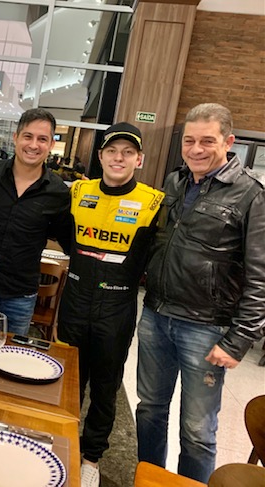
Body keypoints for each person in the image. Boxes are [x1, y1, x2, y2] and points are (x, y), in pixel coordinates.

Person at [137, 103, 265, 483]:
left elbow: (261, 276)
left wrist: (238, 340)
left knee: (196, 431)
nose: (196, 149)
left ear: (229, 141)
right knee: (150, 411)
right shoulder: (175, 182)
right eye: (189, 141)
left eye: (207, 141)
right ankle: (148, 479)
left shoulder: (251, 195)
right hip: (157, 316)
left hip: (206, 329)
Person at [56, 122, 164, 487]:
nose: (119, 158)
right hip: (74, 301)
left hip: (116, 309)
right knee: (68, 382)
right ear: (100, 156)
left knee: (105, 388)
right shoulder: (78, 192)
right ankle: (62, 441)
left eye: (127, 152)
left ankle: (91, 458)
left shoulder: (153, 202)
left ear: (139, 159)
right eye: (112, 151)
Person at [0, 108, 72, 334]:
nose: (34, 145)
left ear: (51, 144)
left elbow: (67, 240)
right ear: (16, 138)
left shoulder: (58, 192)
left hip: (20, 297)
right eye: (28, 136)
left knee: (8, 362)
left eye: (42, 139)